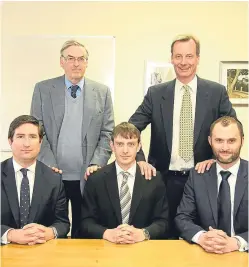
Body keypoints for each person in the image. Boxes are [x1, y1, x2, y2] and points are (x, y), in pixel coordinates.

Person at [128, 34, 236, 238]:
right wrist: (140, 160)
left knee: (202, 236)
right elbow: (132, 128)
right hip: (165, 180)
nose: (183, 62)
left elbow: (233, 130)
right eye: (178, 56)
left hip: (204, 178)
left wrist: (215, 158)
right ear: (171, 58)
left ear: (198, 58)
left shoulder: (216, 92)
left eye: (189, 56)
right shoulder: (156, 93)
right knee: (162, 237)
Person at [30, 40, 114, 238]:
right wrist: (49, 163)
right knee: (49, 229)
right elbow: (36, 130)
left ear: (87, 62)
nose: (76, 63)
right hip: (53, 173)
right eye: (71, 59)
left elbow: (107, 132)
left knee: (83, 230)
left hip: (86, 175)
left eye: (81, 59)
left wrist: (97, 162)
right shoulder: (43, 89)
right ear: (62, 61)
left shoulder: (102, 92)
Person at [80, 122, 168, 243]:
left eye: (131, 144)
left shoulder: (154, 179)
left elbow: (163, 222)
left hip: (142, 249)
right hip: (105, 249)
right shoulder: (96, 179)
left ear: (139, 147)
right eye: (120, 144)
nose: (125, 150)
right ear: (112, 146)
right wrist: (107, 233)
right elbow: (85, 222)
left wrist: (143, 233)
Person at [175, 116, 248, 253]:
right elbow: (182, 217)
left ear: (242, 141)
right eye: (219, 140)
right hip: (206, 253)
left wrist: (237, 242)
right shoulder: (198, 176)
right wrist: (202, 237)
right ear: (210, 141)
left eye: (231, 141)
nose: (225, 147)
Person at [1, 115, 70, 245]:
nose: (26, 144)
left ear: (40, 141)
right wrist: (10, 234)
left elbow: (63, 223)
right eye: (20, 136)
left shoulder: (54, 179)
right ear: (10, 141)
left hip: (41, 252)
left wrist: (50, 232)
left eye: (32, 137)